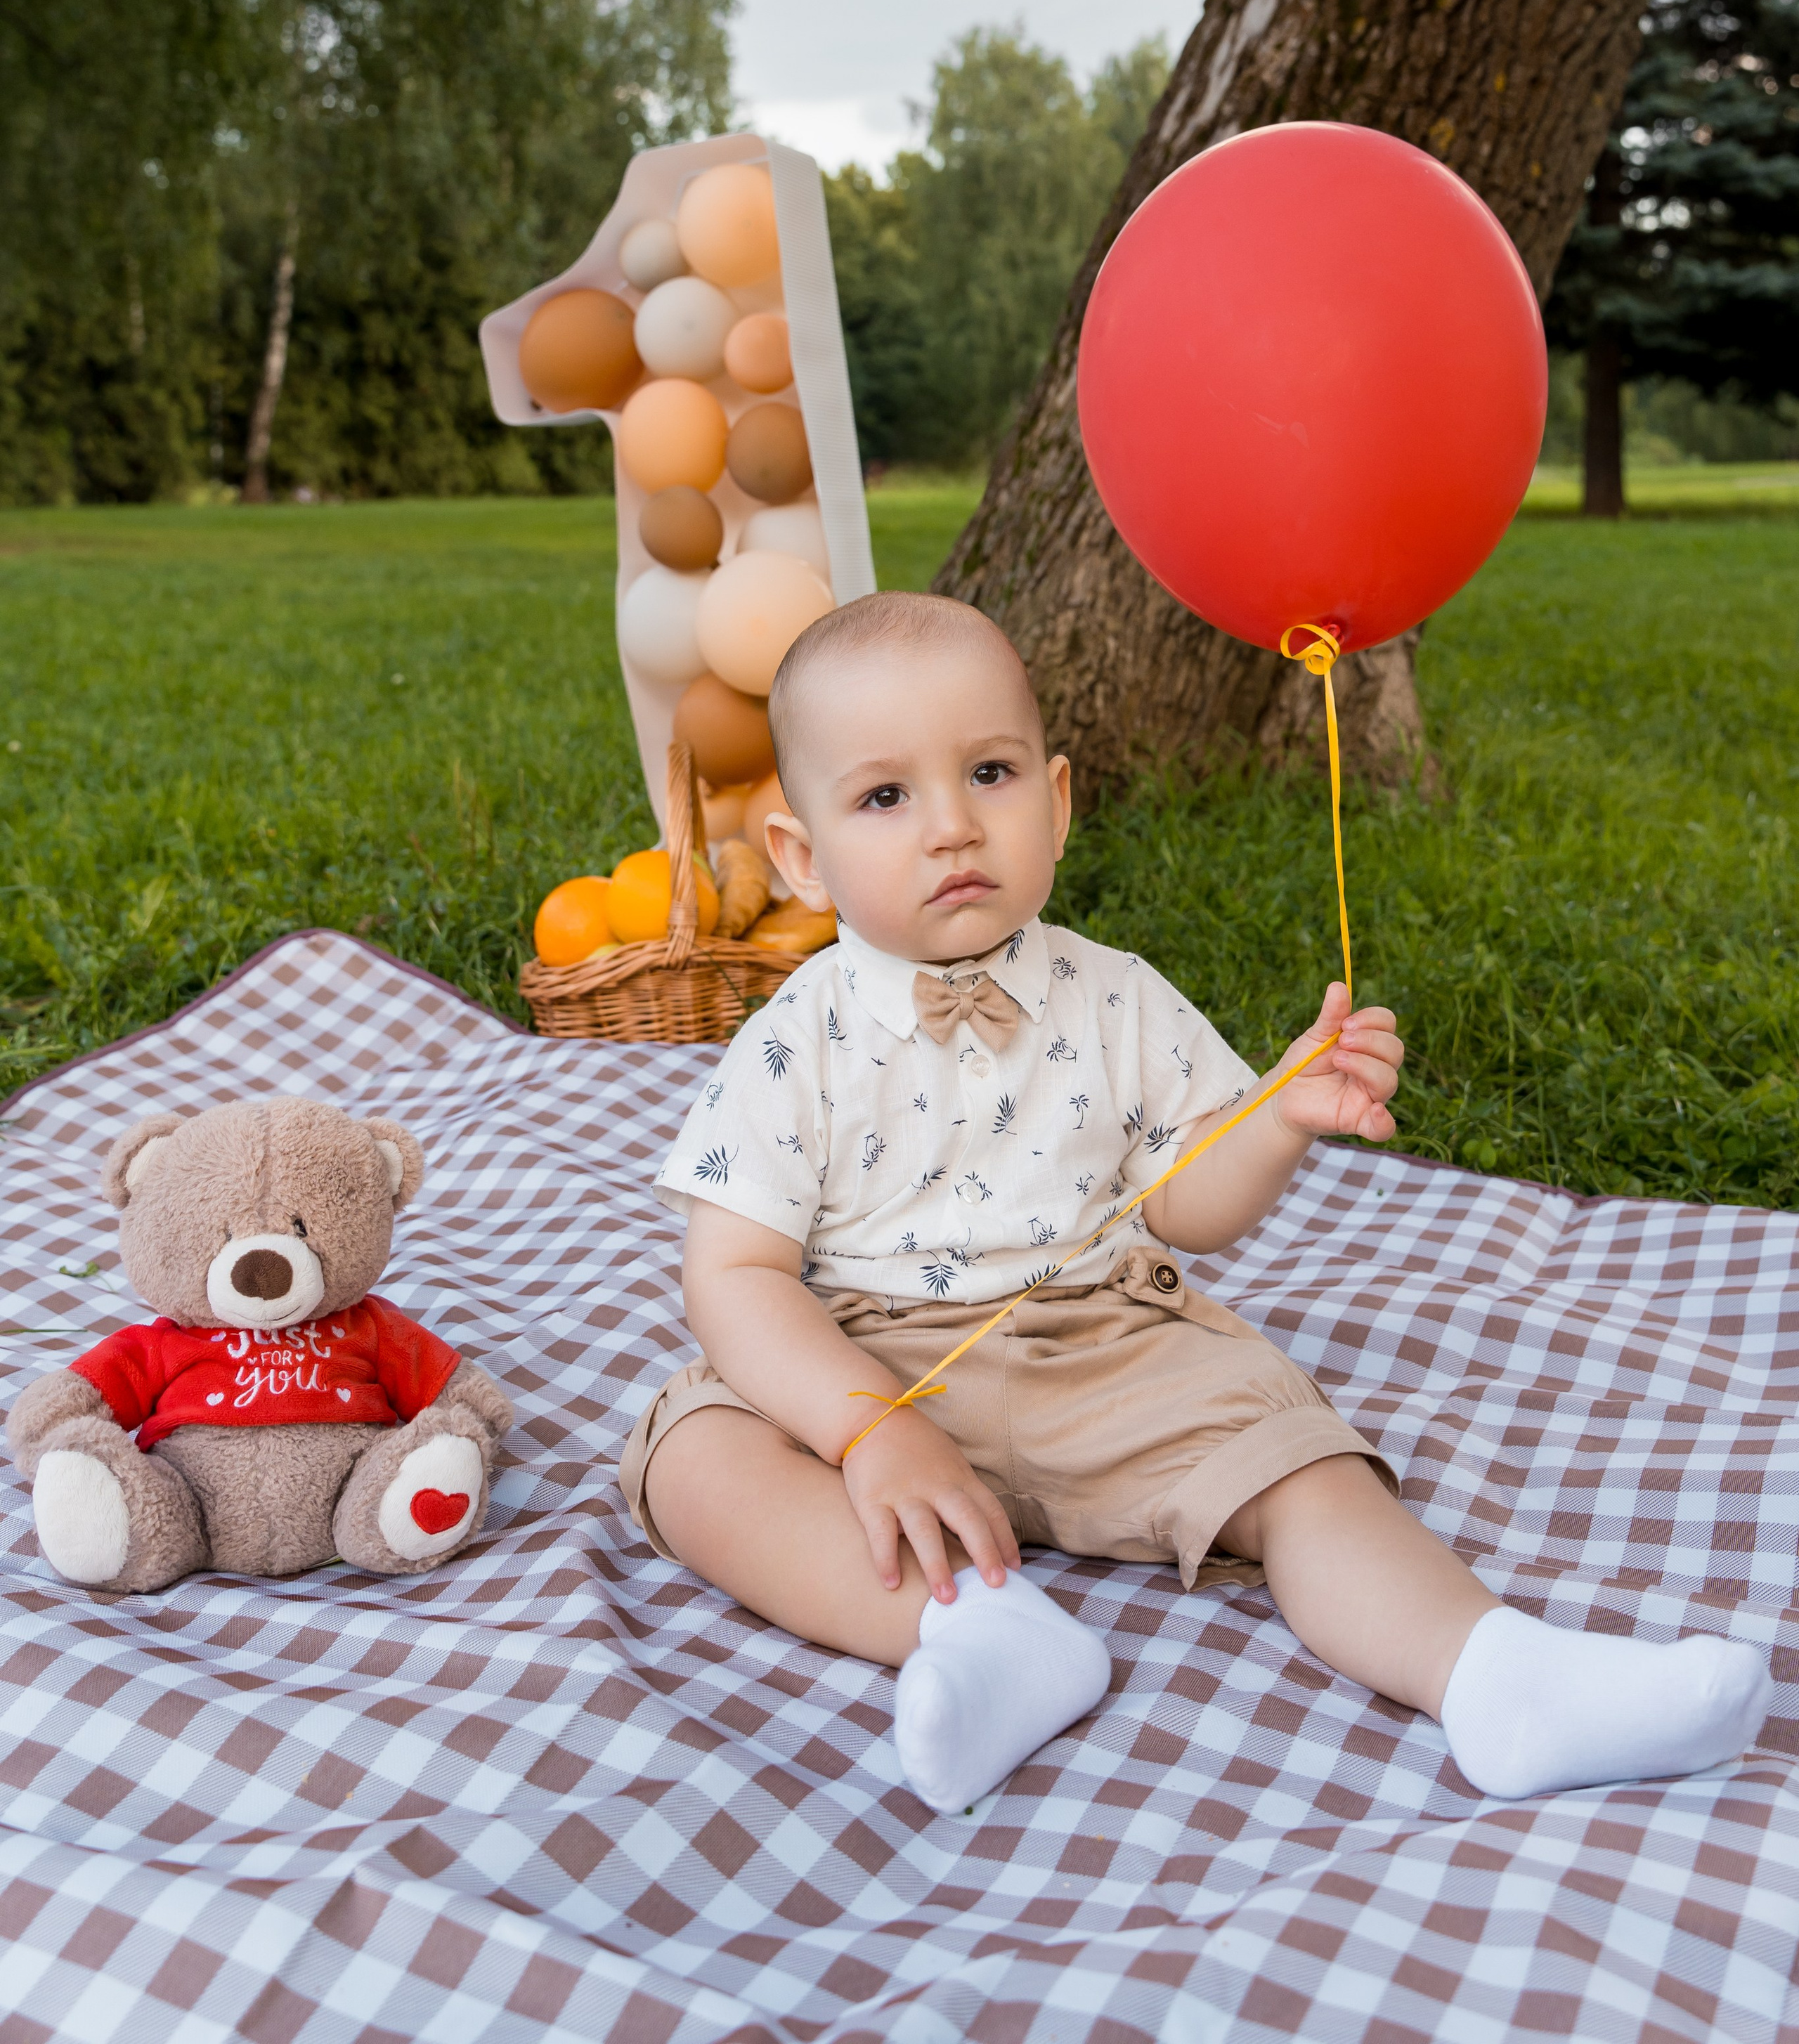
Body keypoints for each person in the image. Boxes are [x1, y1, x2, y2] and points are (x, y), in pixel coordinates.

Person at [621, 594, 1771, 1813]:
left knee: (1300, 1459)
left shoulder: (1113, 997)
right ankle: (978, 1640)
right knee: (696, 1455)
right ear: (803, 858)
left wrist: (1271, 1120)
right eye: (886, 797)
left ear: (1058, 802)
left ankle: (1493, 1677)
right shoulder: (796, 1037)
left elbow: (1189, 1207)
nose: (953, 827)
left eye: (991, 773)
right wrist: (865, 1428)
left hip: (1105, 1340)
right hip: (864, 1355)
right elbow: (735, 1275)